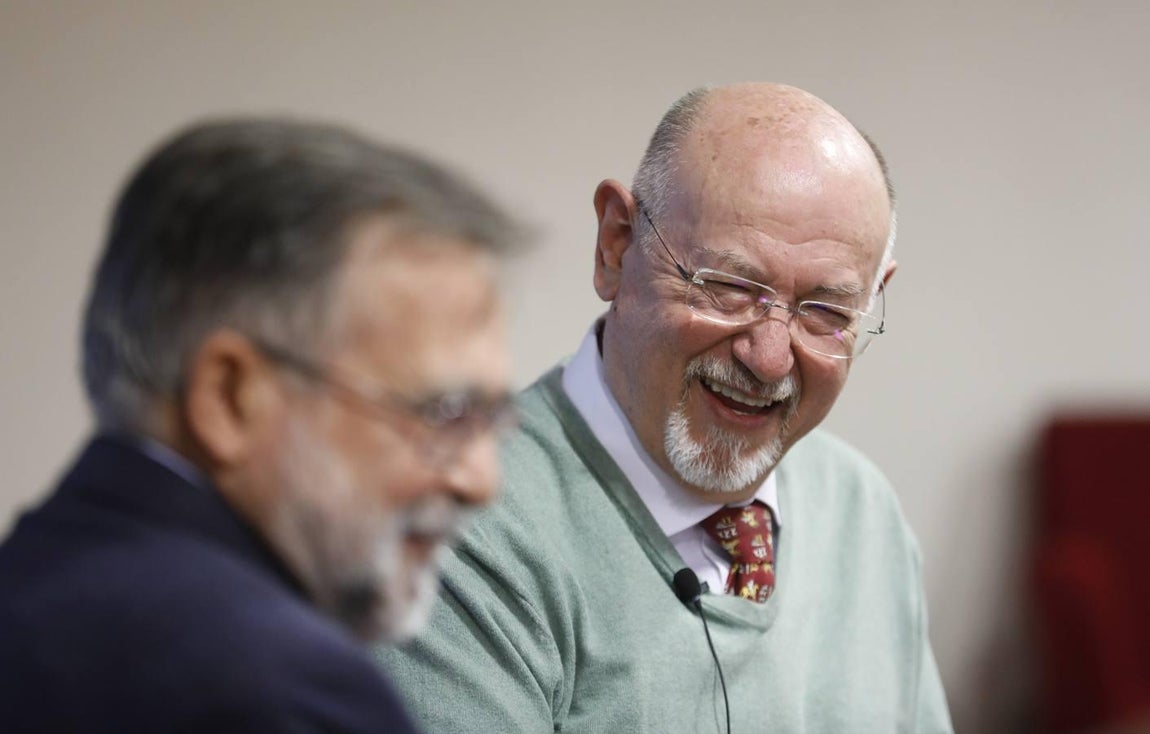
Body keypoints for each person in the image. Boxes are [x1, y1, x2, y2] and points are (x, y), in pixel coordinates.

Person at [377, 83, 954, 732]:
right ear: (615, 246)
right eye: (729, 287)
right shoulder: (458, 531)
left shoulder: (860, 508)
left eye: (825, 312)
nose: (769, 358)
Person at [0, 117, 521, 732]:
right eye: (445, 415)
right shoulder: (276, 688)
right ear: (230, 397)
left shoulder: (33, 580)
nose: (481, 480)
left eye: (491, 419)